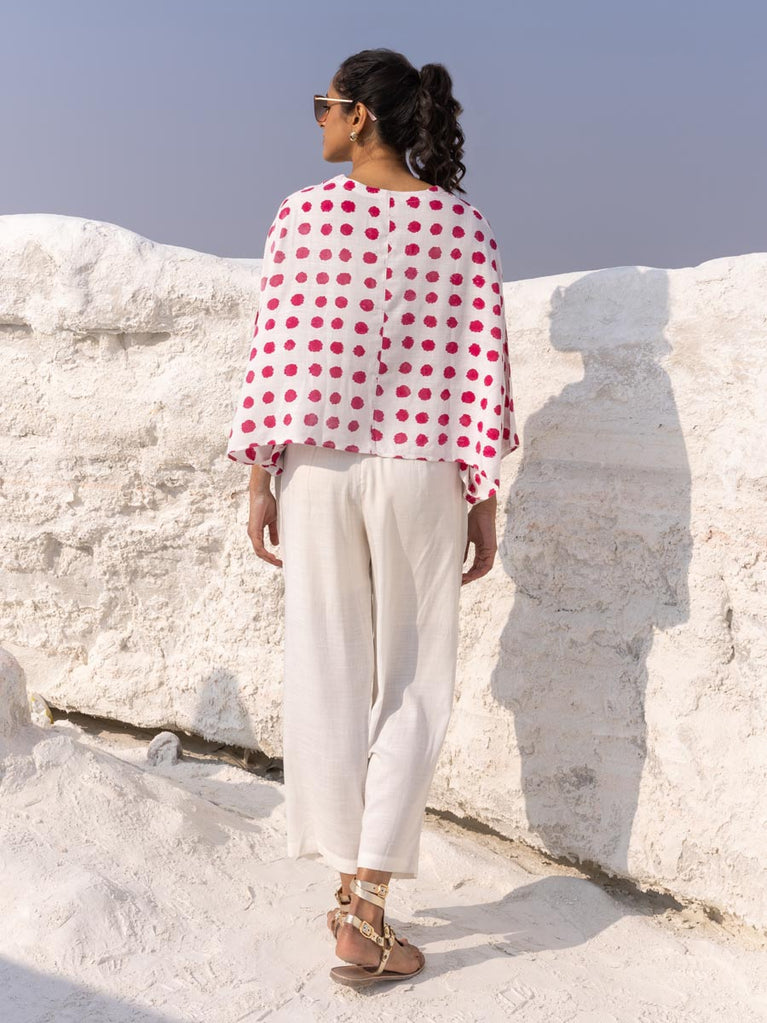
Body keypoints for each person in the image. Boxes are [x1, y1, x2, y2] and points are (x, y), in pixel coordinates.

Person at [226, 48, 519, 987]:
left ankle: (348, 889)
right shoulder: (464, 226)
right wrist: (480, 495)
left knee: (326, 669)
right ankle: (367, 906)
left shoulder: (302, 215)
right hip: (422, 470)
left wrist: (260, 478)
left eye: (325, 104)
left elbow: (273, 350)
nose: (316, 118)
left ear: (359, 115)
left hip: (318, 466)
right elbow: (483, 366)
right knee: (414, 682)